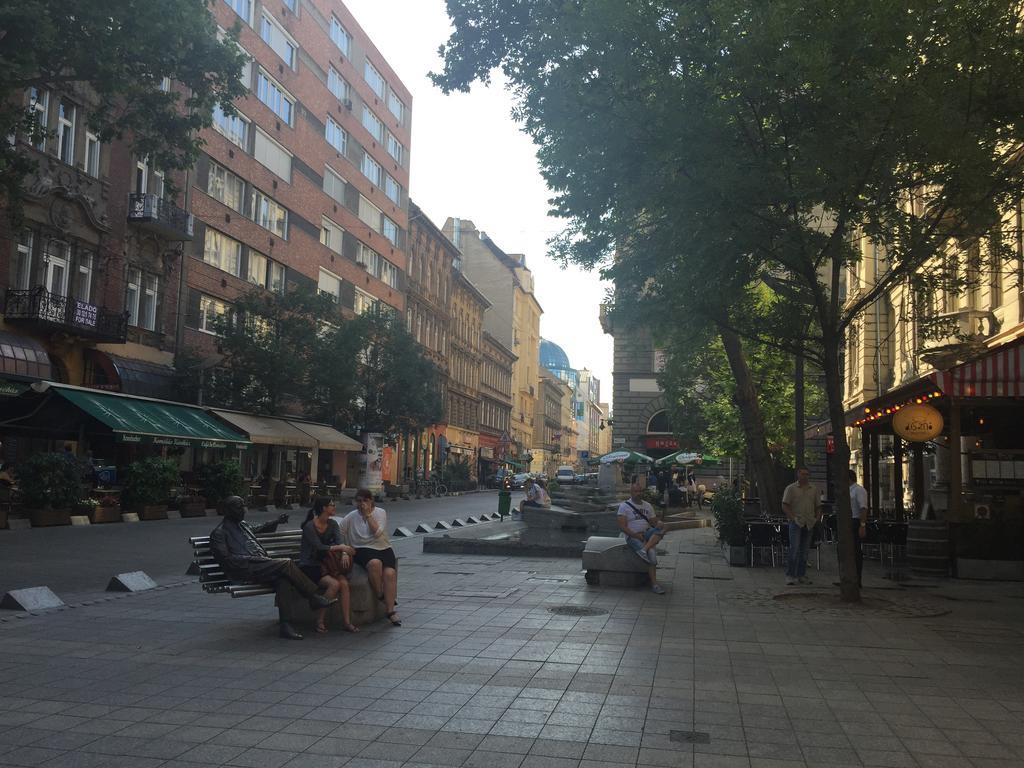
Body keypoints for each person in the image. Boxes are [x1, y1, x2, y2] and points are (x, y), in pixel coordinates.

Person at [209, 496, 337, 640]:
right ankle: (313, 597)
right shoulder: (220, 533)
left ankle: (285, 626)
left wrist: (276, 521)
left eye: (243, 506)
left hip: (260, 566)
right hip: (245, 569)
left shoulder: (242, 525)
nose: (243, 510)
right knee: (286, 563)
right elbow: (227, 561)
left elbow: (260, 528)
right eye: (239, 507)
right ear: (228, 510)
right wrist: (253, 559)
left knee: (284, 579)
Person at [340, 488, 401, 626]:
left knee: (390, 573)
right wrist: (344, 550)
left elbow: (377, 533)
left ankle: (390, 611)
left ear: (371, 501)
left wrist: (368, 515)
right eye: (359, 501)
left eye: (365, 500)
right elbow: (340, 532)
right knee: (375, 564)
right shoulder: (351, 516)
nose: (362, 504)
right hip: (362, 549)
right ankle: (381, 594)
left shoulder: (380, 513)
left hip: (382, 547)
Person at [299, 497, 358, 634]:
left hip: (329, 565)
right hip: (310, 566)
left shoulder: (332, 524)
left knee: (343, 584)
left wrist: (343, 553)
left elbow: (340, 541)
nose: (334, 507)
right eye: (332, 505)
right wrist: (340, 547)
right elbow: (318, 547)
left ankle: (347, 622)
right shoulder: (309, 526)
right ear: (324, 508)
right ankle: (319, 620)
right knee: (334, 584)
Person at [617, 481, 687, 595]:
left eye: (640, 491)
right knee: (652, 558)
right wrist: (635, 535)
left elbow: (654, 522)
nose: (638, 493)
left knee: (664, 528)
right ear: (631, 492)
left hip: (647, 534)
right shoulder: (624, 506)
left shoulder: (647, 505)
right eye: (635, 491)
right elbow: (622, 526)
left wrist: (659, 523)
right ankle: (654, 584)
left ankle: (644, 550)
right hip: (633, 536)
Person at [782, 468, 821, 586]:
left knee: (804, 551)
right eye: (803, 474)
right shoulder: (791, 488)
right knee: (794, 548)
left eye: (807, 474)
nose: (805, 476)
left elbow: (818, 505)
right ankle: (790, 575)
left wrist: (817, 519)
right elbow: (785, 505)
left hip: (809, 522)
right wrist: (793, 518)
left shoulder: (813, 489)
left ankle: (801, 574)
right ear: (798, 475)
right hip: (796, 522)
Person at [848, 469, 869, 588]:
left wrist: (862, 525)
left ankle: (857, 579)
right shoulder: (848, 490)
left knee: (856, 550)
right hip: (849, 521)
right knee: (848, 550)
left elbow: (863, 508)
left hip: (855, 521)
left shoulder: (859, 490)